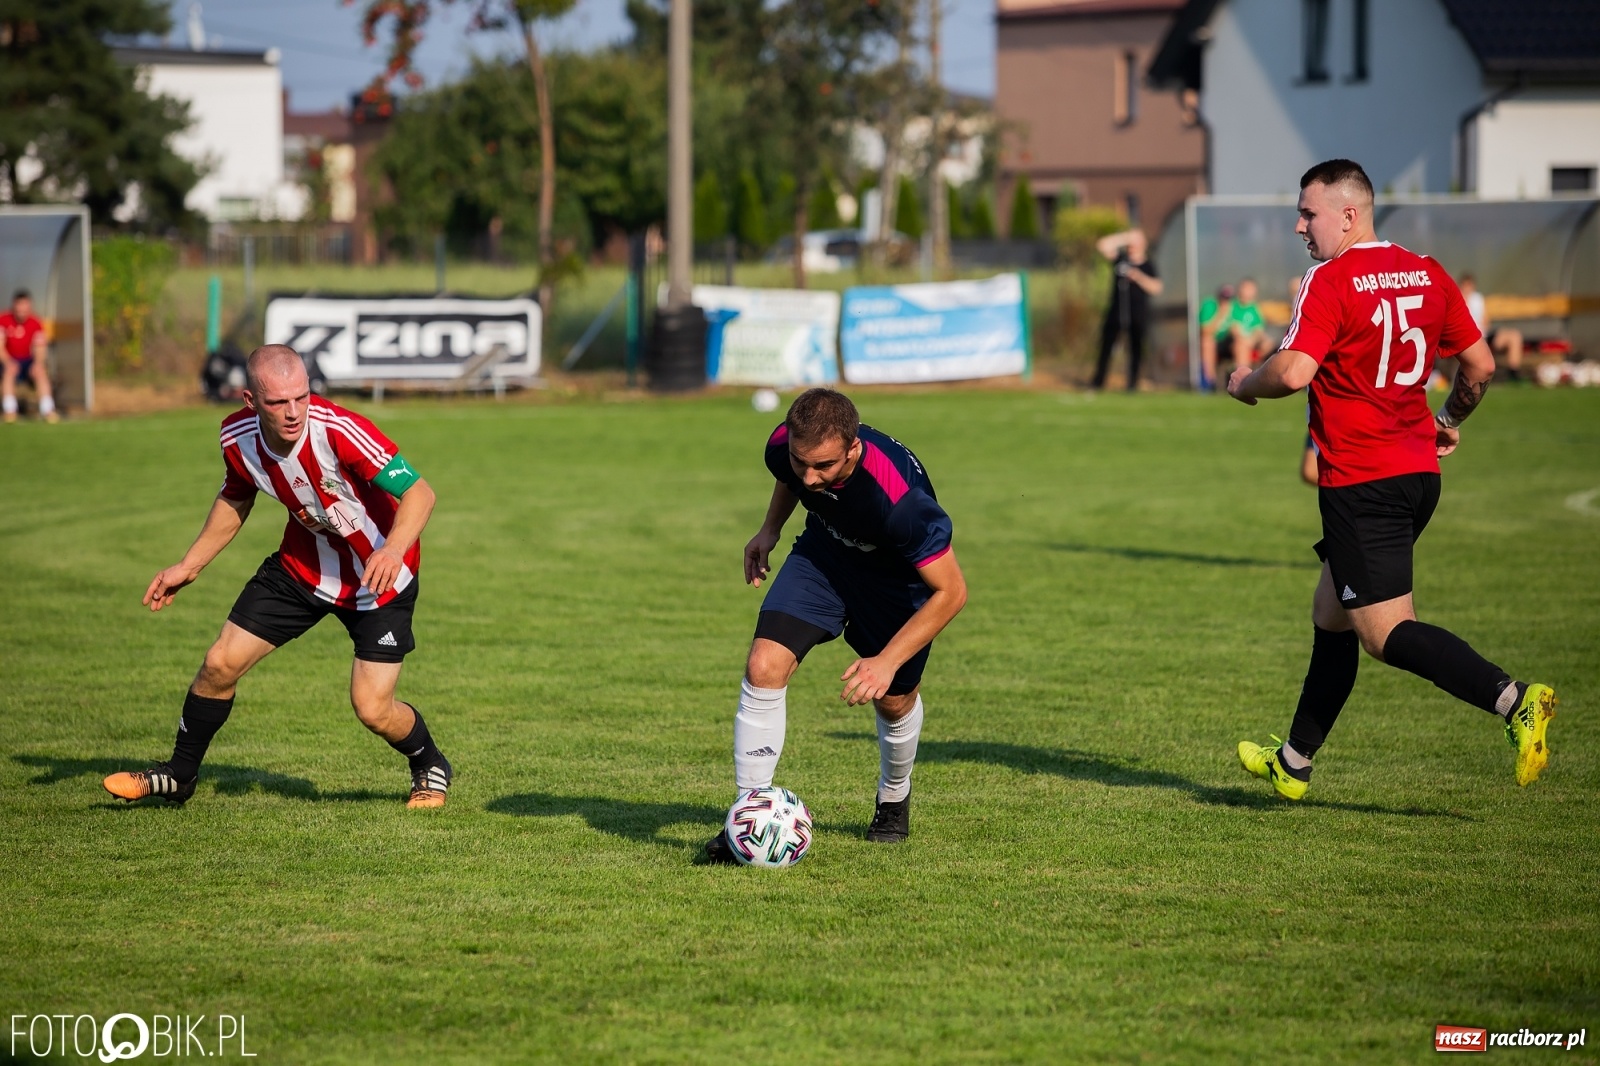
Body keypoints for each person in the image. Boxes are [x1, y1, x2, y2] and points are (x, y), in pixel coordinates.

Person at [1225, 158, 1556, 800]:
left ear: (1348, 214)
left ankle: (1515, 699)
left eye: (1308, 213)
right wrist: (1447, 420)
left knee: (1384, 634)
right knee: (1330, 613)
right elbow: (1481, 366)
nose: (1299, 226)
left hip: (1362, 482)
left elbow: (1293, 371)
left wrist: (1245, 384)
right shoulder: (1427, 271)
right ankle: (1293, 762)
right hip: (1417, 476)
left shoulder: (1328, 279)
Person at [102, 345, 453, 808]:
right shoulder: (237, 437)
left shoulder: (340, 430)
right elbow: (236, 497)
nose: (293, 412)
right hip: (301, 570)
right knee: (220, 663)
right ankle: (179, 775)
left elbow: (420, 493)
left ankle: (429, 762)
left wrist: (392, 549)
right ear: (251, 400)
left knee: (372, 708)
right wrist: (190, 564)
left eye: (301, 397)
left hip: (379, 581)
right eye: (278, 402)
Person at [703, 388, 968, 861]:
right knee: (764, 664)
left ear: (853, 448)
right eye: (800, 461)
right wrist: (770, 529)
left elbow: (952, 592)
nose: (809, 476)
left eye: (823, 466)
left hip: (895, 584)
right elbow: (790, 477)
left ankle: (894, 795)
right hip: (824, 559)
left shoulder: (901, 503)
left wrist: (887, 661)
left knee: (894, 701)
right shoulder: (786, 445)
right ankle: (748, 818)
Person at [1091, 229, 1162, 391]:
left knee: (1135, 349)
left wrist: (1137, 276)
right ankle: (1098, 382)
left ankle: (1132, 384)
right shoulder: (1121, 260)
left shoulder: (1148, 265)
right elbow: (1102, 245)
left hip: (1137, 313)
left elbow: (1157, 288)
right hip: (1116, 311)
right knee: (1106, 347)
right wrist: (1124, 237)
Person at [1, 289, 59, 423]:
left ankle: (48, 410)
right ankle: (10, 411)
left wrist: (38, 363)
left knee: (40, 372)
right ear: (14, 305)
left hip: (27, 360)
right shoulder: (3, 320)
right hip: (7, 360)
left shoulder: (35, 323)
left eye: (25, 306)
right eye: (19, 306)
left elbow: (40, 348)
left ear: (29, 306)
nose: (22, 310)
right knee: (9, 371)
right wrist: (8, 362)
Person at [1458, 274, 1525, 381]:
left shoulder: (1477, 298)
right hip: (1469, 337)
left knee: (1514, 336)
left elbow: (1485, 320)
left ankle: (1513, 373)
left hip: (1484, 335)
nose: (1468, 288)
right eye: (1465, 285)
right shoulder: (1457, 299)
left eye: (1470, 285)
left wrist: (1484, 328)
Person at [1197, 284, 1235, 390]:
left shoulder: (1235, 307)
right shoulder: (1210, 306)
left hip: (1230, 342)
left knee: (1241, 344)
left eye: (1228, 299)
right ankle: (1210, 382)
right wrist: (1221, 314)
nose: (1226, 302)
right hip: (1214, 342)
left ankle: (1243, 381)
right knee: (1207, 342)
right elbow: (1205, 331)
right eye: (1224, 298)